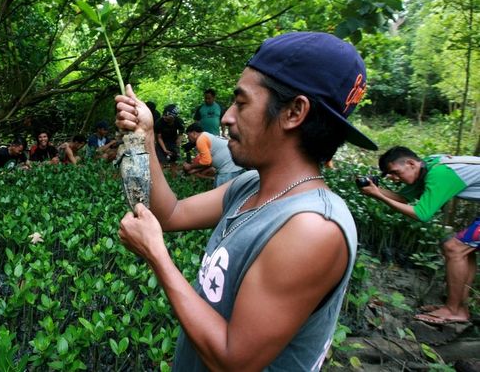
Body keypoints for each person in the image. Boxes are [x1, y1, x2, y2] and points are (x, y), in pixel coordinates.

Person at [115, 31, 377, 370]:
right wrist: (147, 135)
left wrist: (157, 257)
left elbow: (232, 361)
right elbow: (171, 214)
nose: (226, 117)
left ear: (294, 112)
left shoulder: (312, 228)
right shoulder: (251, 184)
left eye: (241, 103)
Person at [360, 146, 479, 325]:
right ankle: (459, 308)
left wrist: (380, 196)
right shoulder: (428, 165)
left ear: (410, 163)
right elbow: (402, 199)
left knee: (454, 249)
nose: (393, 179)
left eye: (395, 173)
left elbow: (422, 214)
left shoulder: (440, 173)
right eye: (389, 175)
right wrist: (373, 189)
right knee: (463, 250)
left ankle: (453, 310)